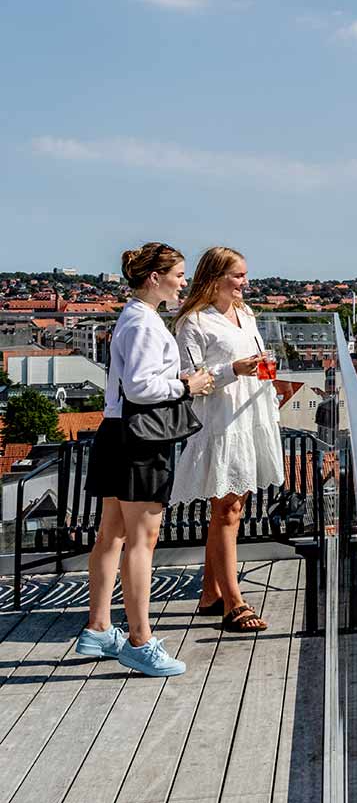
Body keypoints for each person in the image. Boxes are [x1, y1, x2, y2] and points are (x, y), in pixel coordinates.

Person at [80, 243, 215, 677]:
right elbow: (140, 388)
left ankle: (99, 628)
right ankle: (140, 640)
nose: (183, 283)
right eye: (177, 274)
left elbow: (133, 383)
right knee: (142, 541)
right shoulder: (143, 323)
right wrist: (186, 386)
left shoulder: (134, 318)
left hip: (119, 432)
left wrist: (173, 381)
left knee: (112, 535)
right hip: (140, 438)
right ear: (154, 277)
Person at [170, 246, 284, 632]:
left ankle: (210, 593)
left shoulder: (245, 313)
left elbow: (252, 359)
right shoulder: (193, 322)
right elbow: (190, 381)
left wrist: (262, 372)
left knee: (232, 510)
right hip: (222, 423)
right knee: (227, 511)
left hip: (251, 414)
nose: (245, 282)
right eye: (238, 276)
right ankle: (233, 602)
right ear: (215, 278)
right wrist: (233, 370)